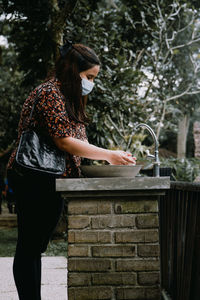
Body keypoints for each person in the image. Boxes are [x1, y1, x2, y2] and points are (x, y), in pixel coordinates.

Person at [7, 41, 136, 300]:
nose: (91, 83)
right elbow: (64, 141)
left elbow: (80, 144)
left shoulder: (68, 98)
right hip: (33, 177)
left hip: (52, 180)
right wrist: (109, 155)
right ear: (72, 68)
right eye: (89, 76)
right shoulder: (49, 93)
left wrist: (112, 157)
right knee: (29, 247)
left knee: (34, 248)